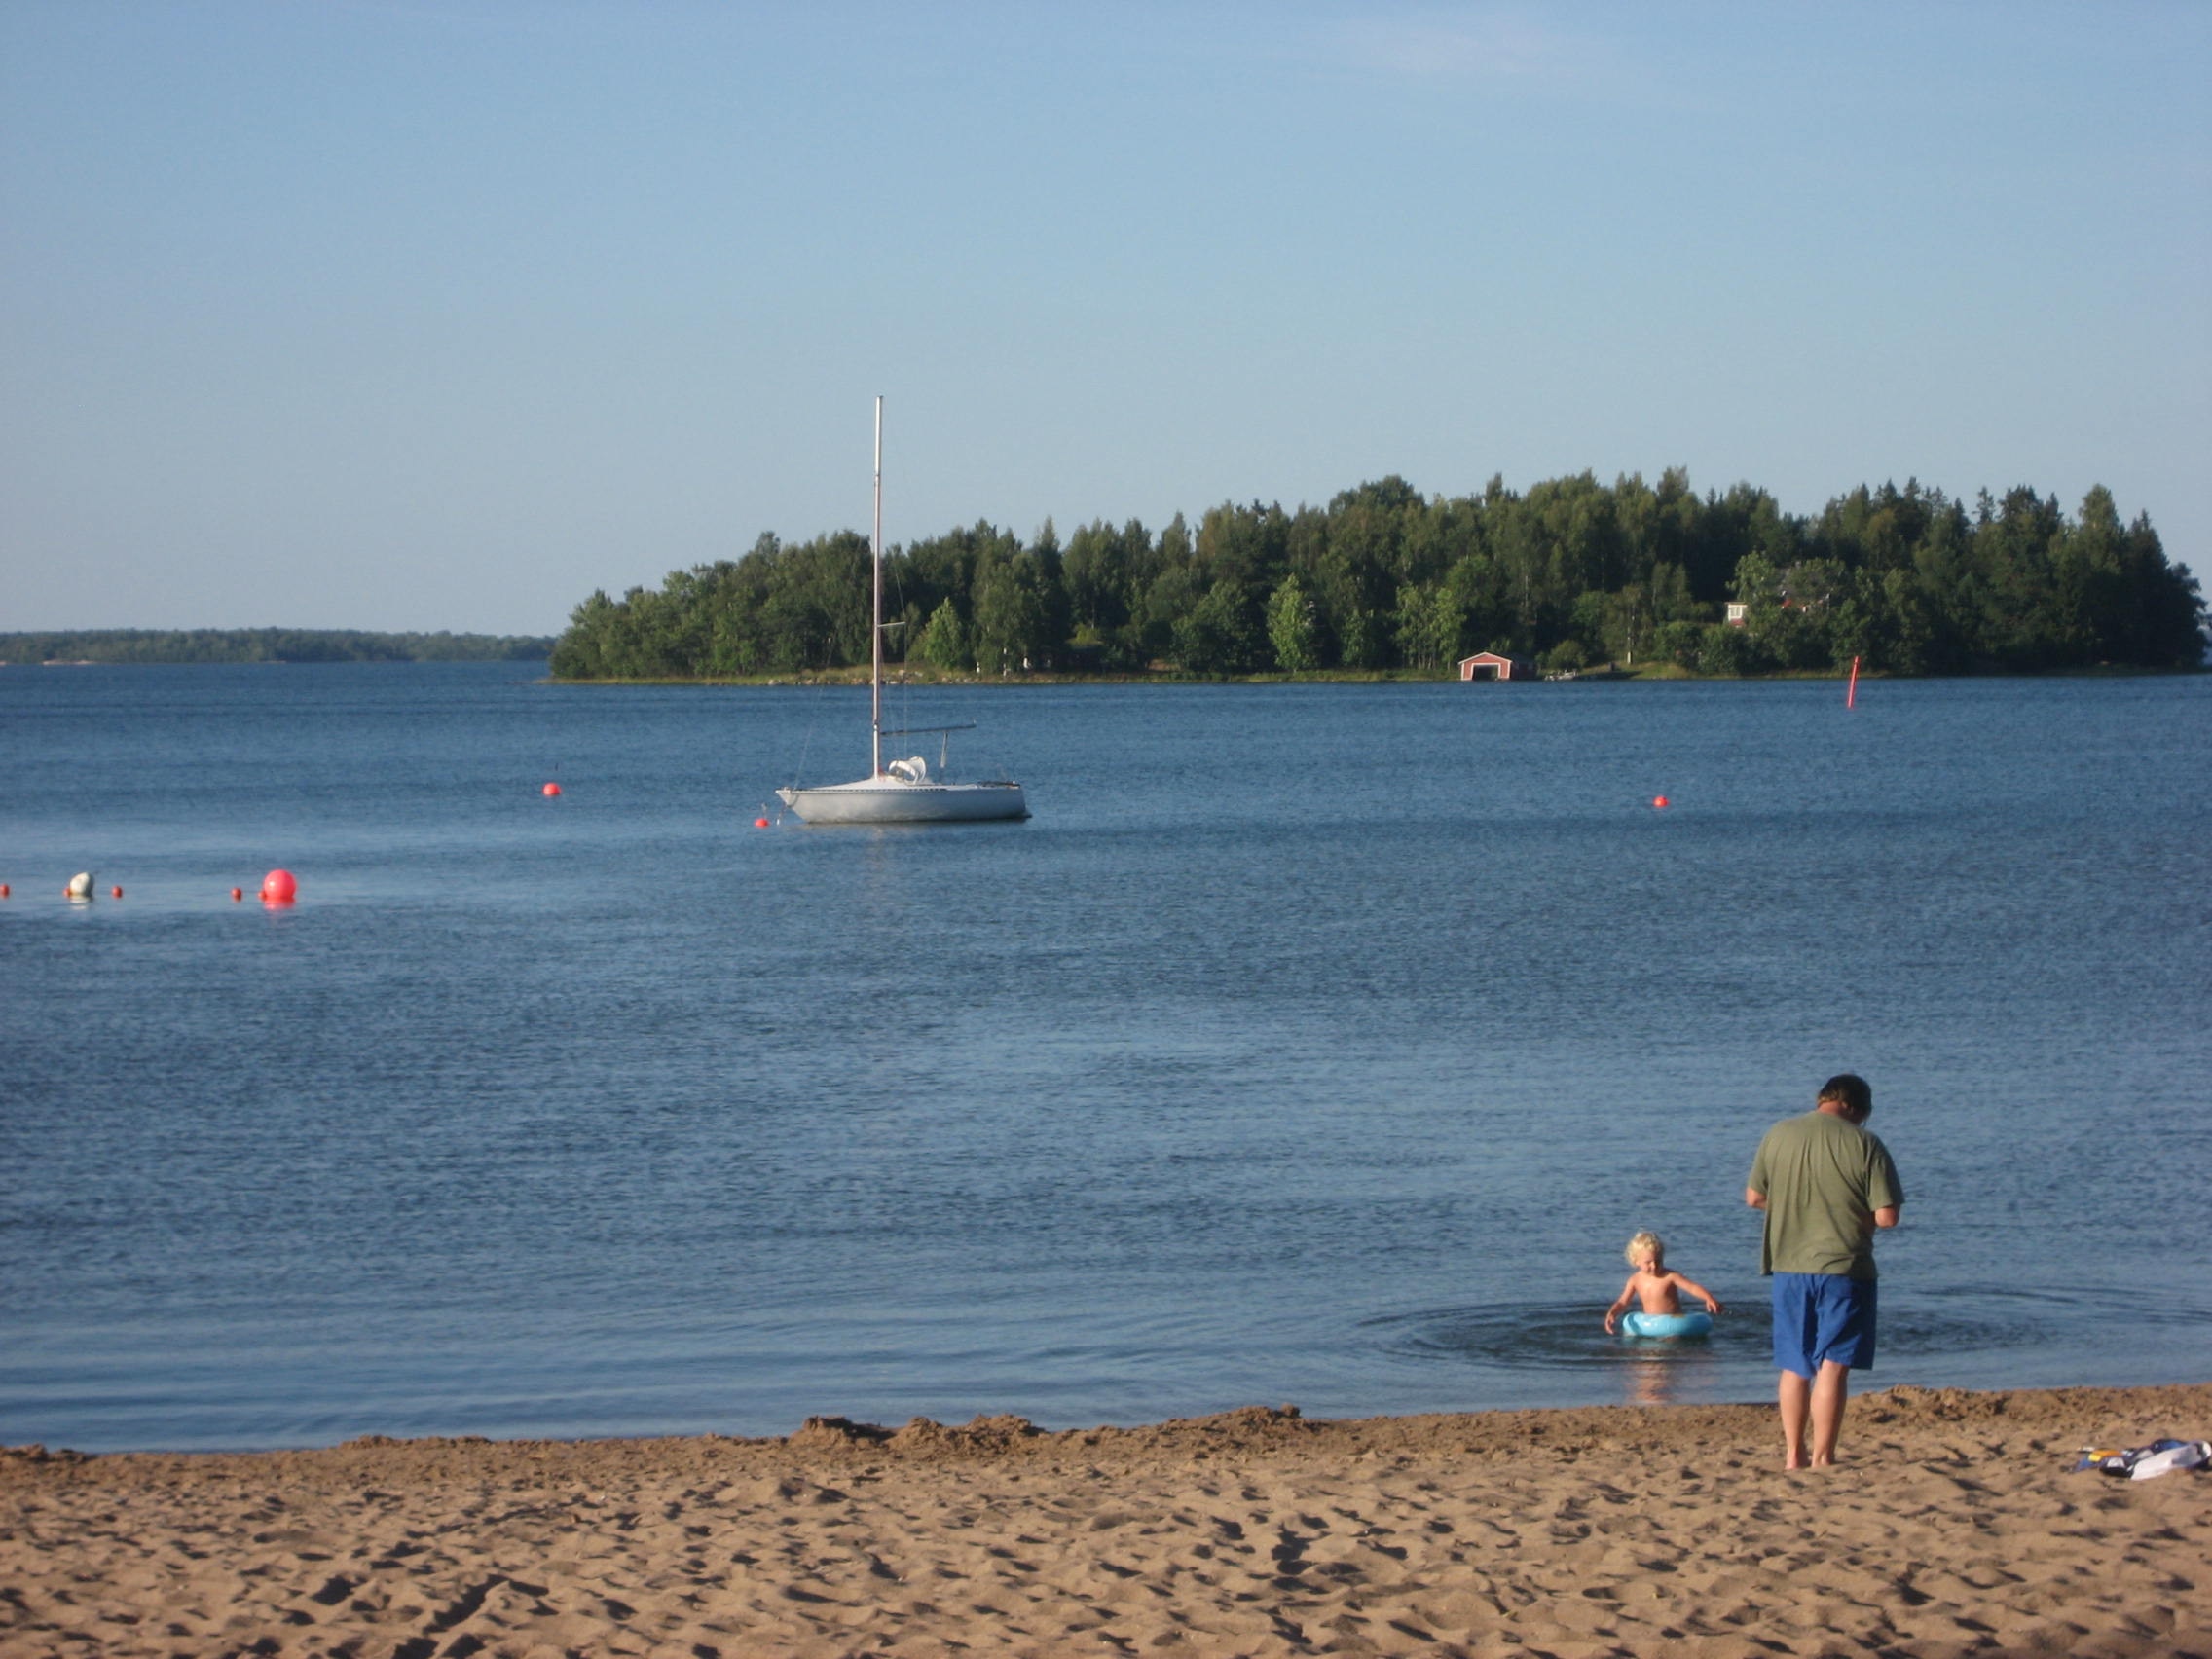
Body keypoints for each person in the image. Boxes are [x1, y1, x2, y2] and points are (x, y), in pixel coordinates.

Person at [1746, 1073, 1904, 1469]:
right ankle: (1822, 1456)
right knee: (1833, 1364)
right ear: (1854, 1107)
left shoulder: (1779, 1134)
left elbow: (1755, 1197)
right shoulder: (1865, 1143)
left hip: (1788, 1263)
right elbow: (1886, 1217)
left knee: (1795, 1364)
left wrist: (1794, 1209)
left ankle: (1792, 1454)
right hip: (1845, 1265)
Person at [1603, 1231, 1723, 1333]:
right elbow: (1623, 1302)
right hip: (1650, 1323)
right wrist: (1612, 1313)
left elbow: (1691, 1287)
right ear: (1636, 1261)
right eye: (1648, 1262)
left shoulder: (1670, 1276)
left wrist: (1708, 1298)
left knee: (1671, 1339)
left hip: (1673, 1323)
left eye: (1658, 1261)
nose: (1654, 1265)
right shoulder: (1635, 1280)